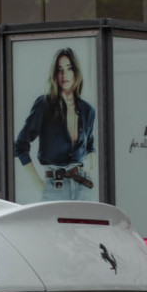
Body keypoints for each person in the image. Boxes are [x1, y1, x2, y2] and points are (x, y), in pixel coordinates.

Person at [13, 47, 97, 201]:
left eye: (69, 68)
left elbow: (90, 144)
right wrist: (39, 184)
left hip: (83, 186)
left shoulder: (87, 110)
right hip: (54, 186)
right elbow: (20, 146)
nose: (64, 75)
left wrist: (91, 168)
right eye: (59, 70)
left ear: (76, 72)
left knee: (84, 226)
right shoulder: (44, 105)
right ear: (54, 74)